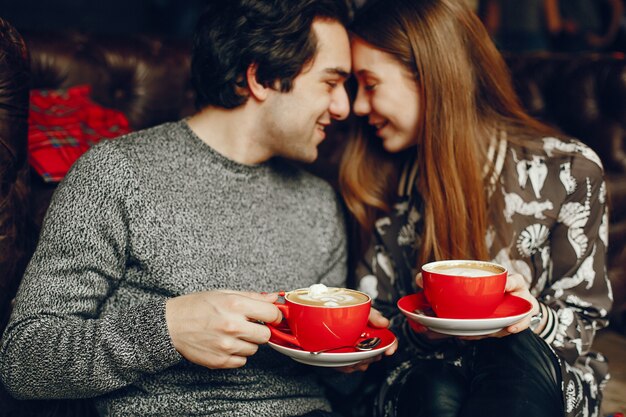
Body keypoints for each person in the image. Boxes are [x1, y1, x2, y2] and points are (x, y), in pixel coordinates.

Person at [0, 1, 394, 416]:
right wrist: (167, 330)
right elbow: (24, 360)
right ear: (260, 77)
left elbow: (326, 375)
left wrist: (351, 353)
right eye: (330, 83)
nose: (344, 108)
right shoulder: (115, 173)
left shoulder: (319, 201)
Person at [339, 0, 612, 416]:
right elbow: (371, 329)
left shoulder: (570, 172)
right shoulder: (380, 180)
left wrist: (530, 315)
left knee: (512, 350)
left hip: (536, 371)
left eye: (370, 84)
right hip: (421, 377)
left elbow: (584, 323)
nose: (357, 106)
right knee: (436, 386)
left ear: (432, 77)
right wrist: (422, 327)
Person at [545, 0, 624, 52]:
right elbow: (554, 25)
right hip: (571, 41)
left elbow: (617, 5)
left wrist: (608, 38)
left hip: (591, 41)